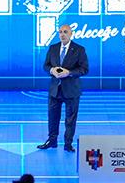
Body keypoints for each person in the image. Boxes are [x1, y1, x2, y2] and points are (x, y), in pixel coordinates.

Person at [38, 23, 89, 152]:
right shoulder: (53, 48)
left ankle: (68, 144)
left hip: (71, 90)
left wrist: (69, 73)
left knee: (70, 119)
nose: (62, 34)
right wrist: (52, 70)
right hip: (55, 90)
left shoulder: (79, 50)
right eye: (60, 32)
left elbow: (84, 69)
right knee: (52, 117)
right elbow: (46, 65)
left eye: (65, 32)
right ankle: (52, 141)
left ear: (71, 34)